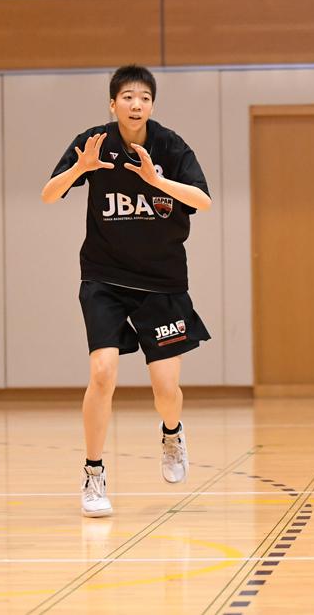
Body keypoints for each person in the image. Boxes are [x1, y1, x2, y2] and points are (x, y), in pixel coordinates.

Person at [41, 65, 212, 517]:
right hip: (105, 277)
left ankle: (172, 433)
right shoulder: (94, 143)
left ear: (152, 105)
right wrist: (79, 168)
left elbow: (203, 200)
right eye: (128, 97)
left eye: (145, 98)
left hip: (162, 282)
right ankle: (93, 474)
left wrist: (157, 182)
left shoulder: (170, 146)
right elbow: (48, 195)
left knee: (166, 389)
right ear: (113, 103)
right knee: (102, 373)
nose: (137, 105)